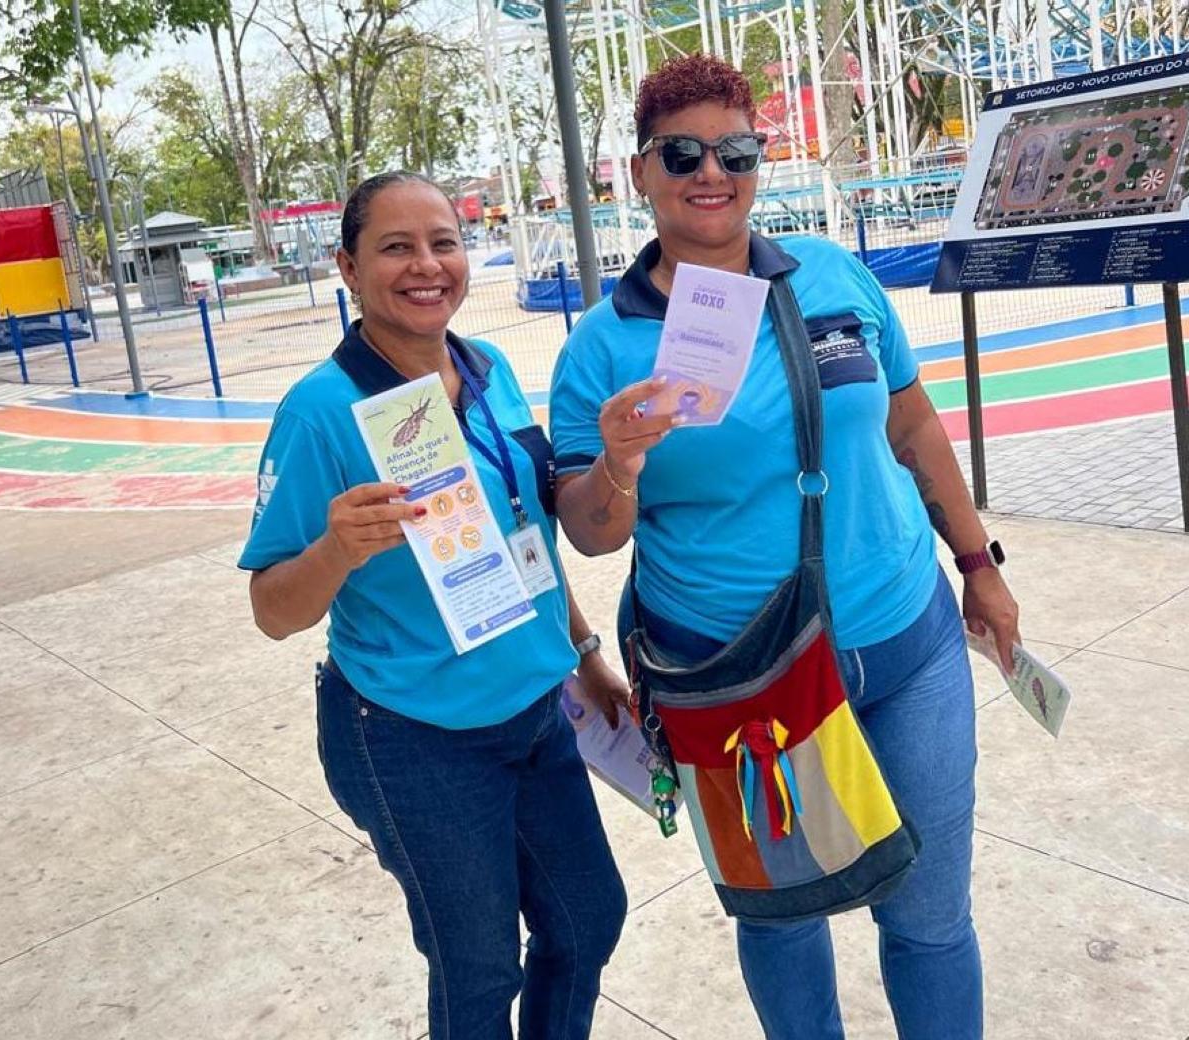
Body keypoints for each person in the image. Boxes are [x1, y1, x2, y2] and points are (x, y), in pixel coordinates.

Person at [549, 55, 1022, 1040]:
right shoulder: (603, 344)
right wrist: (621, 459)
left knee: (930, 916)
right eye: (682, 153)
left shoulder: (832, 272)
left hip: (905, 643)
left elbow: (911, 424)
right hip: (739, 680)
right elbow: (591, 535)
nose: (710, 173)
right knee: (783, 914)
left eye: (736, 151)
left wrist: (978, 565)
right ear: (639, 172)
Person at [242, 171, 629, 1039]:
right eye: (396, 247)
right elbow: (272, 609)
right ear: (348, 268)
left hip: (534, 710)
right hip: (413, 735)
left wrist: (584, 654)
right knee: (479, 968)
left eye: (443, 243)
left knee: (587, 917)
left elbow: (524, 535)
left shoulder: (487, 369)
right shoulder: (320, 413)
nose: (426, 265)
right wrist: (337, 549)